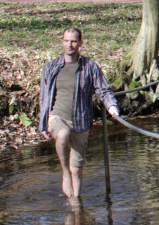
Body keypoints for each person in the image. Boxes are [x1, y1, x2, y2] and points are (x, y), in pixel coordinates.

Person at [38, 27, 121, 201]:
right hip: (57, 117)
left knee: (77, 169)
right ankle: (64, 172)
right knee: (62, 135)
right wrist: (42, 122)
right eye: (66, 41)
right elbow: (44, 97)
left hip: (81, 122)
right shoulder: (51, 67)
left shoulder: (89, 66)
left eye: (73, 41)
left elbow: (103, 89)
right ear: (62, 42)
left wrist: (111, 106)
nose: (69, 44)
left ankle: (75, 204)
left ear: (80, 43)